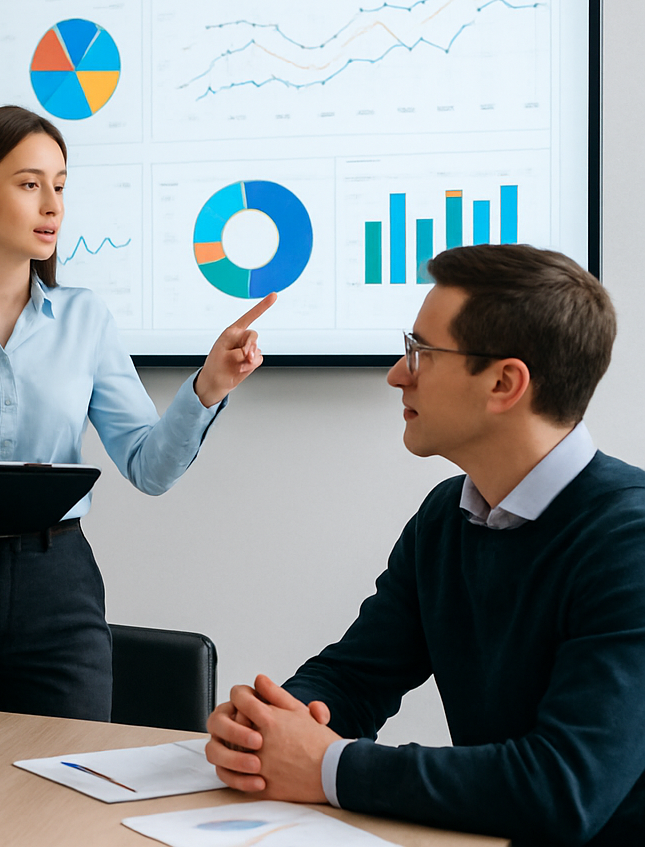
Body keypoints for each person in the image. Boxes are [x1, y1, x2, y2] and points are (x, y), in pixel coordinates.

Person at [0, 104, 273, 721]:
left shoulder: (85, 318)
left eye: (60, 186)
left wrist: (208, 387)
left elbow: (149, 468)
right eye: (30, 184)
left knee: (65, 775)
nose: (53, 206)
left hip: (57, 591)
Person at [205, 244, 645, 846]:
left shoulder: (630, 541)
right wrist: (270, 726)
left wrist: (328, 767)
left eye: (422, 352)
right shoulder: (447, 515)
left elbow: (563, 788)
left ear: (503, 383)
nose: (397, 373)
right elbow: (356, 677)